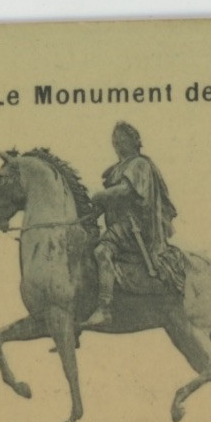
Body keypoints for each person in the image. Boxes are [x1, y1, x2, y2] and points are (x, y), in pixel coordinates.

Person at [82, 121, 186, 326]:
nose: (116, 142)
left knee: (102, 252)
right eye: (114, 139)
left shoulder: (139, 164)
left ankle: (104, 309)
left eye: (121, 139)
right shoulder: (116, 169)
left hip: (135, 227)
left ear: (132, 142)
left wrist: (101, 195)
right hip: (119, 226)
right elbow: (107, 202)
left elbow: (125, 191)